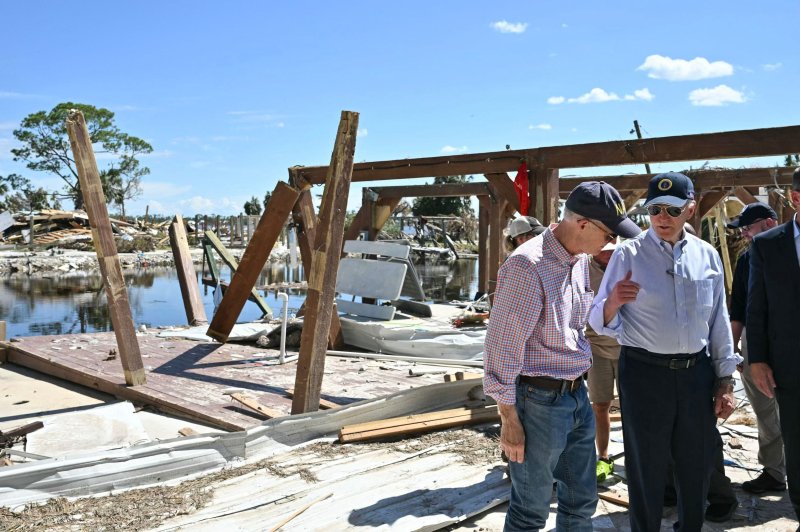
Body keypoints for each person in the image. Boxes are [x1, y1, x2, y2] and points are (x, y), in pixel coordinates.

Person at [588, 172, 741, 531]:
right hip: (644, 374)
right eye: (655, 209)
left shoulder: (708, 256)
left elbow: (718, 322)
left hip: (695, 375)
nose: (662, 218)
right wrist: (611, 303)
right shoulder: (628, 254)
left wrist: (725, 381)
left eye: (672, 210)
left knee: (695, 465)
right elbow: (597, 320)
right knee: (646, 469)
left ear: (689, 210)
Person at [484, 181, 641, 531]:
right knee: (530, 511)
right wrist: (509, 420)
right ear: (583, 224)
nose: (611, 242)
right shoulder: (527, 266)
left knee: (581, 502)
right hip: (538, 401)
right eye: (609, 232)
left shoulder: (578, 260)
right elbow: (501, 349)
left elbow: (576, 326)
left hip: (575, 395)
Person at [746, 167, 800, 525]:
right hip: (790, 366)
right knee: (796, 446)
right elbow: (757, 305)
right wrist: (759, 360)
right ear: (796, 198)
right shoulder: (767, 245)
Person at [728, 202, 786, 494]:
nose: (745, 234)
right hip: (755, 341)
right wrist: (733, 349)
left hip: (790, 340)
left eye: (748, 228)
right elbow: (738, 306)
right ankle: (774, 472)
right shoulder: (747, 260)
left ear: (768, 222)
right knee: (764, 410)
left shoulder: (793, 251)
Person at [585, 241, 620, 482]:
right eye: (603, 249)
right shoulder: (581, 268)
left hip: (627, 347)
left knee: (633, 407)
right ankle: (603, 457)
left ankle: (639, 459)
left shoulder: (626, 263)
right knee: (599, 404)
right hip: (594, 346)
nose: (608, 254)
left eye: (612, 249)